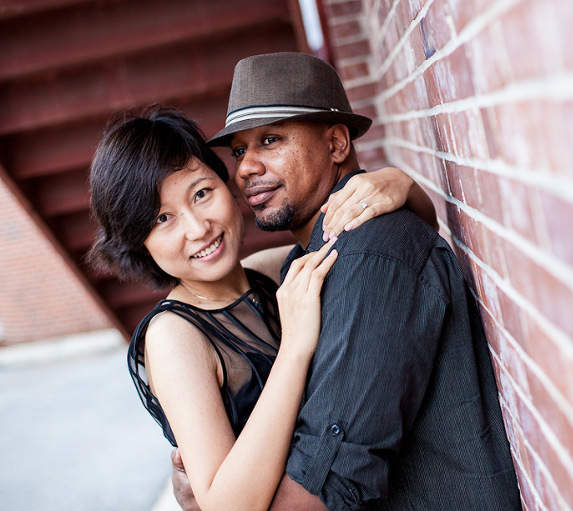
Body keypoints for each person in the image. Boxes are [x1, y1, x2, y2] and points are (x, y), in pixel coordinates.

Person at [175, 52, 522, 510]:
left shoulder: (370, 257)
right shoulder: (308, 260)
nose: (245, 168)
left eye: (271, 140)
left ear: (337, 144)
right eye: (239, 150)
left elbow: (326, 487)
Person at [86, 106, 437, 511]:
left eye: (202, 194)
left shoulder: (272, 273)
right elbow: (227, 506)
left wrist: (399, 183)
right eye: (163, 218)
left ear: (227, 186)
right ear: (138, 241)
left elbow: (406, 246)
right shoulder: (173, 337)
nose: (198, 228)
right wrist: (295, 348)